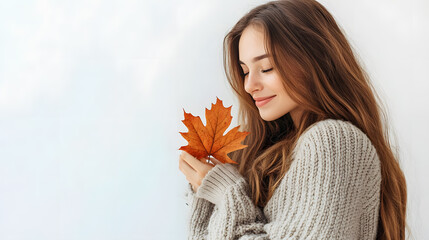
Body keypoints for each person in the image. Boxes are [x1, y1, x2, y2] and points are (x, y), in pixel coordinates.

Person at [178, 0, 407, 239]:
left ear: (313, 59)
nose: (249, 85)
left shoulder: (335, 141)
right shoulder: (276, 155)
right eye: (245, 71)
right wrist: (206, 193)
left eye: (266, 68)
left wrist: (227, 193)